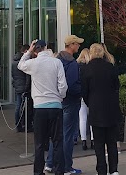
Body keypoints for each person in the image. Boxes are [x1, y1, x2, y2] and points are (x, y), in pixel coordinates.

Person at [18, 39, 67, 175]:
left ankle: (38, 172)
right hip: (55, 106)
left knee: (39, 144)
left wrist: (28, 51)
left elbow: (20, 65)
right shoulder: (56, 62)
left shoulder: (33, 63)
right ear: (46, 47)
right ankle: (59, 171)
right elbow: (63, 85)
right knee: (57, 141)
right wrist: (60, 97)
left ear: (35, 49)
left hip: (39, 106)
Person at [45, 35, 84, 175]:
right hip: (70, 101)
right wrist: (82, 91)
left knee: (56, 134)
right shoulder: (72, 63)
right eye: (77, 44)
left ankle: (50, 163)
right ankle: (67, 166)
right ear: (72, 45)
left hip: (56, 101)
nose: (78, 46)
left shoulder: (56, 60)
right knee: (67, 135)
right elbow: (72, 85)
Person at [81, 43, 121, 175]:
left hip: (96, 109)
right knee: (111, 142)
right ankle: (114, 169)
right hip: (111, 109)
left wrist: (90, 103)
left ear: (91, 53)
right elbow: (117, 86)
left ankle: (101, 170)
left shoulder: (87, 69)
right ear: (102, 53)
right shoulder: (110, 67)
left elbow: (84, 91)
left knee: (99, 144)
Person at [13, 44, 34, 132]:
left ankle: (18, 124)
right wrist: (27, 88)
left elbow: (13, 75)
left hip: (17, 86)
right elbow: (27, 77)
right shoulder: (25, 62)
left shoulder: (13, 61)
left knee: (18, 106)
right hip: (24, 87)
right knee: (24, 107)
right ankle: (23, 124)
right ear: (26, 51)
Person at [77, 48, 93, 150]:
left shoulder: (77, 66)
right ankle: (92, 139)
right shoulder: (90, 67)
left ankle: (83, 140)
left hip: (81, 95)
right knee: (91, 118)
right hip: (91, 94)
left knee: (82, 118)